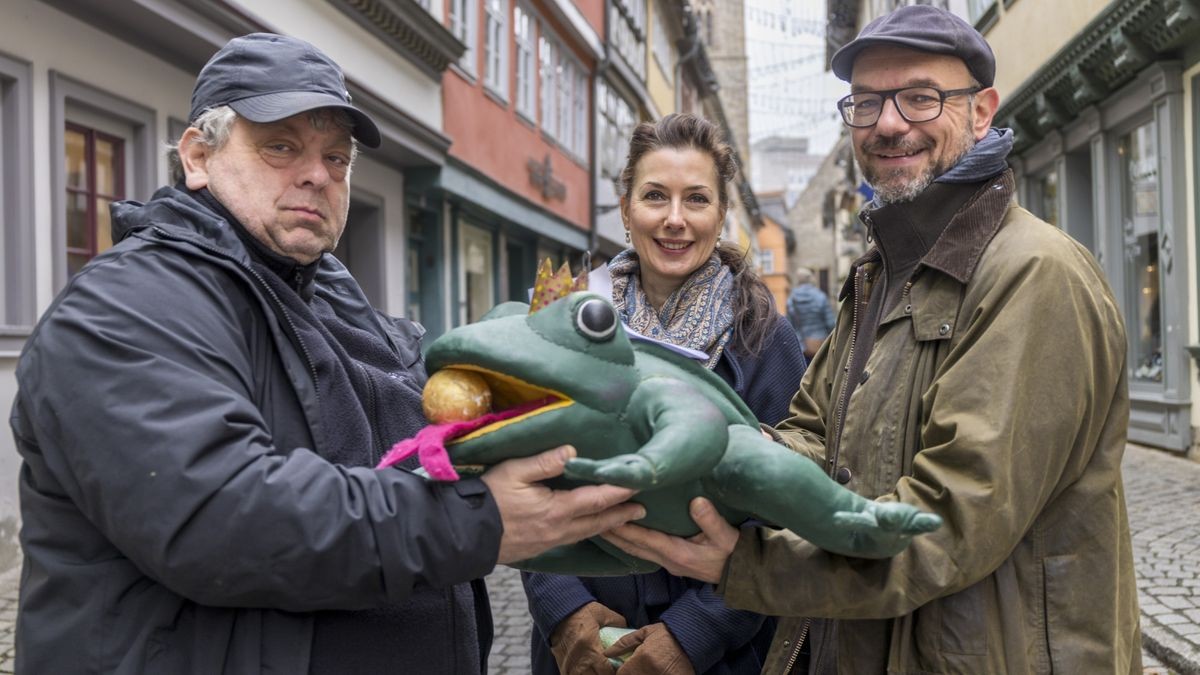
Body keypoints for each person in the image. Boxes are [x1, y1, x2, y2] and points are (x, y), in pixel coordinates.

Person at [9, 33, 644, 674]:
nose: (317, 174)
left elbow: (440, 444)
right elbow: (227, 522)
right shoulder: (127, 304)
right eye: (280, 146)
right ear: (198, 157)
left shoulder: (333, 294)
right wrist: (478, 522)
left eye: (336, 158)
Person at [601, 6, 1142, 674]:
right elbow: (808, 438)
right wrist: (704, 449)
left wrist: (749, 563)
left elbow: (944, 523)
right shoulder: (884, 274)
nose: (889, 123)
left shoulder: (1034, 275)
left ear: (981, 111)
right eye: (867, 102)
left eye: (921, 97)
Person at [522, 113, 807, 675]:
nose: (675, 220)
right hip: (582, 650)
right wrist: (564, 612)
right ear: (626, 207)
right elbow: (524, 471)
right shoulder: (563, 316)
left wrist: (692, 635)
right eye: (655, 196)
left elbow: (783, 516)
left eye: (696, 199)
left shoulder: (766, 340)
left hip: (720, 654)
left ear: (721, 215)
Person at [785, 267, 835, 359]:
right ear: (810, 279)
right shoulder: (820, 297)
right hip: (821, 345)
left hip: (801, 347)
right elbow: (830, 323)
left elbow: (790, 325)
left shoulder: (791, 299)